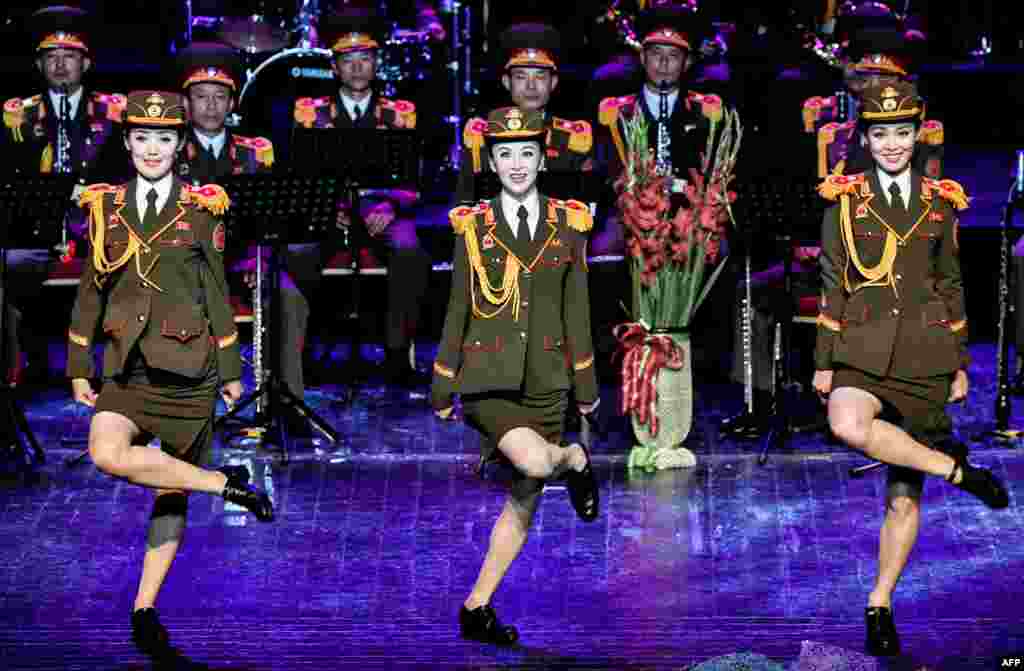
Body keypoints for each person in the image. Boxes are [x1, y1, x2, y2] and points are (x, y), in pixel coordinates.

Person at [67, 90, 274, 658]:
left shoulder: (202, 207)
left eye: (164, 138)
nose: (153, 148)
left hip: (188, 367)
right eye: (142, 138)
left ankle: (145, 608)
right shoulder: (105, 206)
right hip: (126, 367)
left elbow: (215, 291)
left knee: (168, 490)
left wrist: (231, 366)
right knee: (106, 452)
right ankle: (225, 485)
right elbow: (91, 288)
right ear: (128, 143)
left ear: (180, 145)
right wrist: (78, 364)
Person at [811, 81, 1009, 657]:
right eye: (881, 133)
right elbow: (831, 284)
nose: (892, 144)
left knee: (902, 498)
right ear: (865, 139)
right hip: (861, 348)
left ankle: (879, 603)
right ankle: (958, 472)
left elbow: (951, 284)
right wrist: (825, 362)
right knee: (846, 423)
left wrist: (960, 361)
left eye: (902, 132)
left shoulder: (940, 202)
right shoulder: (844, 202)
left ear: (916, 135)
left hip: (925, 356)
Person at [432, 107, 601, 644]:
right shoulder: (473, 226)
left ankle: (477, 605)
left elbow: (578, 309)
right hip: (487, 377)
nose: (517, 164)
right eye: (505, 153)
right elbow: (458, 305)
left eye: (526, 153)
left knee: (525, 495)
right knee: (535, 461)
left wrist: (587, 386)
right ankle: (574, 458)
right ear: (492, 160)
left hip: (548, 379)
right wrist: (442, 379)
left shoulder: (567, 224)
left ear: (541, 157)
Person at [293, 7, 431, 387]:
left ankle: (397, 354)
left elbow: (414, 180)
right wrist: (328, 208)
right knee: (298, 253)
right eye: (348, 60)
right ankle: (304, 351)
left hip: (382, 206)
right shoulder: (311, 115)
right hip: (329, 209)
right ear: (334, 67)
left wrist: (392, 205)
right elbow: (300, 177)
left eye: (365, 59)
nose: (356, 68)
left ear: (376, 64)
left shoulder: (399, 115)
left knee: (410, 251)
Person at [1, 5, 127, 385]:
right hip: (36, 234)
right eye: (51, 58)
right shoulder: (15, 115)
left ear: (85, 63)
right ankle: (10, 382)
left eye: (69, 57)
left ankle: (127, 379)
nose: (59, 66)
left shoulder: (116, 111)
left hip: (100, 231)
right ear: (39, 66)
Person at [596, 4, 722, 256]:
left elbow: (713, 176)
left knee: (716, 247)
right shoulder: (616, 112)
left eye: (673, 56)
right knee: (604, 247)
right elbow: (604, 175)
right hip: (630, 213)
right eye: (655, 54)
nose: (663, 64)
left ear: (686, 63)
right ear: (642, 58)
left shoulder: (705, 111)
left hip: (687, 212)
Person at [454, 22, 594, 206]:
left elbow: (587, 212)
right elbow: (463, 210)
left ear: (553, 82)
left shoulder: (573, 140)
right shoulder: (481, 138)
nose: (531, 86)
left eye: (540, 76)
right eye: (521, 77)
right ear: (506, 82)